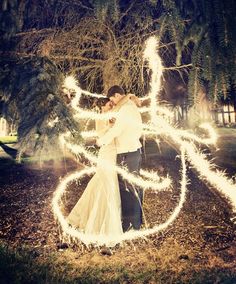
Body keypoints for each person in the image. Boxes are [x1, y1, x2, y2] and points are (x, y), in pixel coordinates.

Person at [67, 98, 123, 239]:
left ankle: (93, 214)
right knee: (105, 184)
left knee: (101, 184)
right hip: (106, 154)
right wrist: (111, 125)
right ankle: (98, 221)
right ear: (102, 107)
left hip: (113, 153)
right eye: (109, 104)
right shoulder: (100, 118)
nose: (112, 106)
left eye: (112, 104)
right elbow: (104, 136)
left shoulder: (110, 117)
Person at [97, 86, 143, 232]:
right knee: (131, 186)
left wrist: (101, 142)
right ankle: (134, 221)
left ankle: (131, 222)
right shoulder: (129, 106)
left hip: (128, 152)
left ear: (117, 95)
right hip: (131, 150)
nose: (113, 103)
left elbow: (117, 130)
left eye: (112, 99)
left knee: (129, 188)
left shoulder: (126, 109)